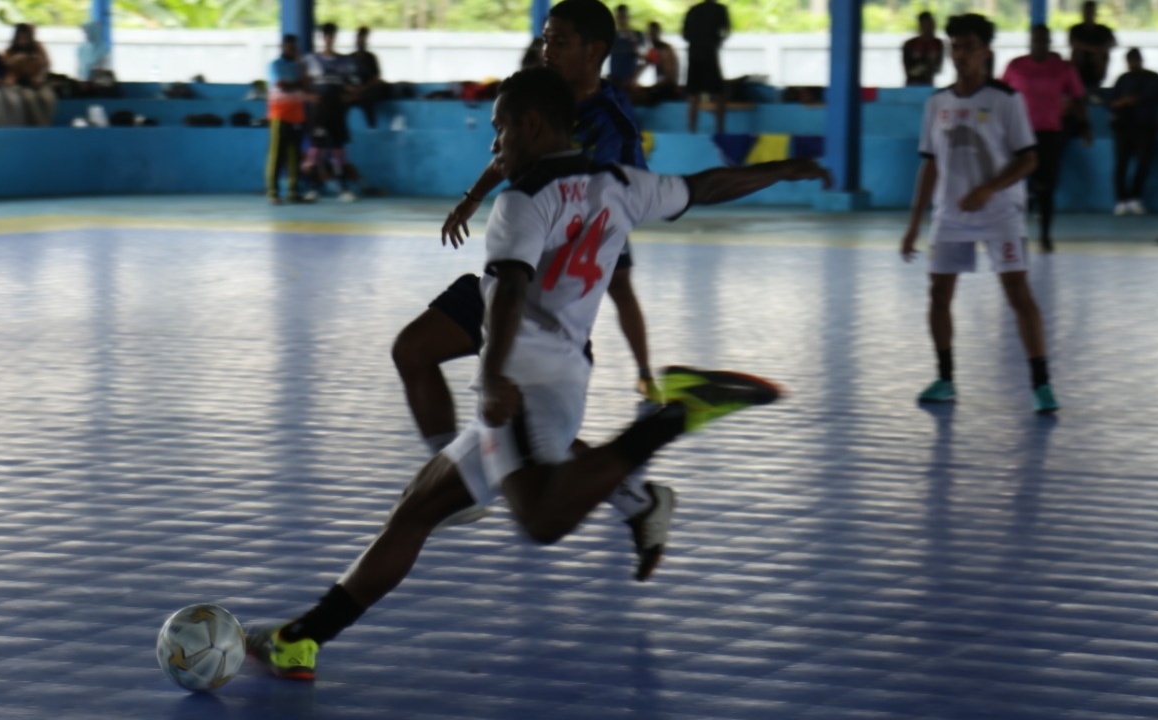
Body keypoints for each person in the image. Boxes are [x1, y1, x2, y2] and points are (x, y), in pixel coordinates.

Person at [246, 66, 830, 682]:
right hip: (559, 367)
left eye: (499, 131)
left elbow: (507, 293)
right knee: (416, 510)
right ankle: (301, 639)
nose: (495, 147)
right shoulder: (618, 180)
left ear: (530, 123)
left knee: (542, 519)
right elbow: (702, 187)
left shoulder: (521, 202)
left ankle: (677, 415)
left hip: (524, 382)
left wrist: (496, 378)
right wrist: (783, 171)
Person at [412, 0, 667, 582]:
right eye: (546, 38)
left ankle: (630, 491)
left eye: (559, 40)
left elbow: (609, 214)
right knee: (417, 353)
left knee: (532, 428)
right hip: (509, 273)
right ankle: (462, 475)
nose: (547, 48)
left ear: (595, 51)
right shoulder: (537, 97)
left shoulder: (612, 129)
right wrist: (474, 198)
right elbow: (508, 155)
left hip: (544, 291)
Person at [901, 13, 1058, 416]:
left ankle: (1041, 384)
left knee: (1018, 293)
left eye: (969, 46)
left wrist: (988, 189)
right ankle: (945, 378)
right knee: (938, 294)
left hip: (1000, 212)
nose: (961, 54)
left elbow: (1028, 161)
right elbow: (930, 165)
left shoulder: (1006, 100)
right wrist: (914, 224)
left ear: (986, 51)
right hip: (950, 216)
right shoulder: (937, 102)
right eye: (955, 46)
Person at [1002, 24, 1090, 252]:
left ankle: (1045, 236)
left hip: (1050, 133)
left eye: (1044, 39)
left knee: (1046, 187)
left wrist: (1084, 125)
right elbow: (1001, 97)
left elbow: (1078, 97)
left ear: (1049, 42)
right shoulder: (1016, 66)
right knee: (1019, 186)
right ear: (1030, 40)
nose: (1039, 43)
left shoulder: (1062, 68)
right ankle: (1017, 234)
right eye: (1035, 39)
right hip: (1020, 134)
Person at [1110, 48, 1158, 216]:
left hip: (1145, 129)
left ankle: (1135, 197)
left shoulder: (1154, 79)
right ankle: (1121, 200)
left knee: (1143, 164)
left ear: (1140, 60)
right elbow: (1111, 103)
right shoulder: (1123, 80)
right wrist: (1124, 102)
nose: (1133, 64)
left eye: (1135, 60)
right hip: (1123, 128)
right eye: (1130, 61)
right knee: (1121, 164)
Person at [303, 22, 360, 203]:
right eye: (326, 35)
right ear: (321, 37)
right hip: (319, 111)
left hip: (337, 110)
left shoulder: (345, 61)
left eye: (332, 35)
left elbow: (354, 86)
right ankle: (313, 188)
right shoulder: (310, 60)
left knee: (338, 150)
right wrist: (308, 96)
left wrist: (351, 95)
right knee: (315, 150)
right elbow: (302, 83)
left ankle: (343, 188)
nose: (329, 38)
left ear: (335, 37)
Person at [265, 34, 310, 205]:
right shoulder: (275, 65)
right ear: (282, 46)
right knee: (277, 155)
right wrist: (297, 84)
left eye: (294, 47)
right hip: (279, 115)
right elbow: (283, 85)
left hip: (297, 117)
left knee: (294, 157)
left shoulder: (298, 66)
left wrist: (300, 64)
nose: (291, 49)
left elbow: (305, 84)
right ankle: (273, 192)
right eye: (288, 46)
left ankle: (293, 191)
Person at [682, 0, 730, 134]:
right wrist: (716, 42)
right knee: (720, 93)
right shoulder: (720, 9)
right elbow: (726, 31)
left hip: (694, 55)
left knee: (693, 94)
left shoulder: (693, 10)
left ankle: (691, 130)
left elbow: (685, 35)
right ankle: (720, 129)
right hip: (709, 54)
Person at [1068, 1, 1116, 96]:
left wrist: (1100, 51)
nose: (1088, 15)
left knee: (1100, 55)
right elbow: (1073, 43)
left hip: (1097, 67)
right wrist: (1093, 49)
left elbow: (1113, 43)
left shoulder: (1103, 30)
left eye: (1091, 12)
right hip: (1081, 63)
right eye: (1087, 12)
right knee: (1078, 52)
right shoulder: (1076, 29)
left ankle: (1095, 83)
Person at [635, 21, 681, 106]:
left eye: (653, 33)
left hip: (668, 89)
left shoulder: (665, 50)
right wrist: (632, 82)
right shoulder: (654, 51)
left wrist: (651, 87)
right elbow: (643, 66)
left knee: (641, 97)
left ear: (658, 33)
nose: (651, 36)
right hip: (661, 87)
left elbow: (669, 78)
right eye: (649, 34)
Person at [350, 26, 387, 129]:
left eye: (363, 37)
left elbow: (376, 77)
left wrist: (363, 88)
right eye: (359, 37)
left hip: (368, 91)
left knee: (368, 97)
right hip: (354, 90)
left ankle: (372, 126)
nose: (361, 40)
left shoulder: (371, 58)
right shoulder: (350, 58)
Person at [902, 12, 945, 87]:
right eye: (926, 25)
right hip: (912, 85)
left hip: (929, 84)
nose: (929, 28)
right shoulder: (910, 44)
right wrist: (928, 64)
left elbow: (938, 68)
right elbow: (909, 71)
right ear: (921, 26)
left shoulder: (938, 43)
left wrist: (924, 67)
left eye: (931, 25)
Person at [608, 5, 644, 90]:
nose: (621, 19)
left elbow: (643, 56)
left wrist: (633, 40)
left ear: (628, 17)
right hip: (615, 77)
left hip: (630, 78)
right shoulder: (612, 36)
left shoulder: (637, 35)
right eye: (619, 16)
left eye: (623, 16)